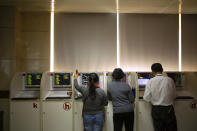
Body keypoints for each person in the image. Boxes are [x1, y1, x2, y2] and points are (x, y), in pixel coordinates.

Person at [143, 63, 177, 131]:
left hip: (156, 110)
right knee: (171, 129)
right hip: (168, 109)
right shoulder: (170, 80)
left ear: (152, 71)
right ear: (162, 70)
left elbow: (146, 98)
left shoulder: (150, 81)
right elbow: (174, 95)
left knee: (158, 129)